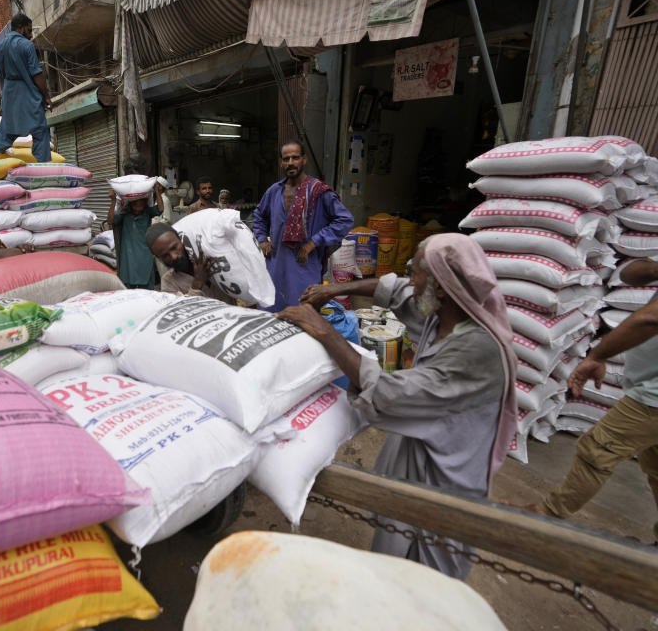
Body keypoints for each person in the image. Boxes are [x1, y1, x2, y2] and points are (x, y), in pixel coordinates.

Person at [279, 234, 517, 579]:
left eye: (416, 272)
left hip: (445, 486)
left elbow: (390, 394)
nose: (411, 280)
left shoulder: (477, 352)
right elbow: (399, 291)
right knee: (393, 560)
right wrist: (331, 290)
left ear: (440, 287)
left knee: (430, 580)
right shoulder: (444, 314)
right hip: (416, 463)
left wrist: (325, 332)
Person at [529, 258, 658, 538]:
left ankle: (544, 517)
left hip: (653, 398)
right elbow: (630, 274)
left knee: (597, 450)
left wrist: (597, 356)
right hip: (649, 389)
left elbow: (652, 317)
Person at [253, 139, 354, 312]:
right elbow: (259, 216)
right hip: (275, 267)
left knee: (304, 319)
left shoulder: (318, 192)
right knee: (271, 319)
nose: (290, 163)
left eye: (295, 157)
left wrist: (312, 243)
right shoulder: (274, 191)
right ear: (281, 162)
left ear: (304, 159)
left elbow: (344, 220)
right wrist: (262, 240)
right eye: (286, 159)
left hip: (304, 268)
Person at [0, 14, 52, 162]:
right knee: (40, 129)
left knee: (6, 129)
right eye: (29, 30)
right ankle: (43, 164)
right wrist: (46, 96)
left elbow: (0, 76)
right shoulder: (27, 45)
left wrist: (5, 96)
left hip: (9, 92)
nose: (30, 35)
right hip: (27, 91)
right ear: (20, 28)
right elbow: (36, 74)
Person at [144, 222, 235, 304]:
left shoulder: (209, 256)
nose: (174, 256)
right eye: (165, 255)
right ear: (159, 258)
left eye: (174, 248)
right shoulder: (168, 282)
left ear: (181, 240)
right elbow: (182, 312)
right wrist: (196, 285)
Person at [106, 183, 163, 289]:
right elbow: (110, 220)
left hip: (145, 251)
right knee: (127, 280)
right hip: (129, 253)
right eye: (135, 204)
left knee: (146, 278)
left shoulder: (147, 213)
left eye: (140, 204)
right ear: (130, 204)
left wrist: (157, 192)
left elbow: (160, 209)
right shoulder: (125, 215)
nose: (138, 207)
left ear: (145, 204)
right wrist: (113, 201)